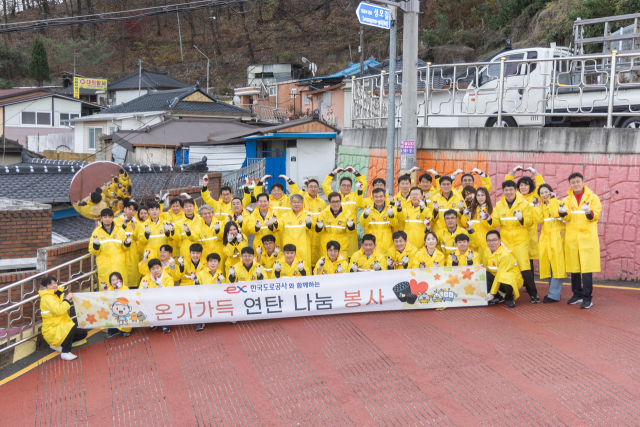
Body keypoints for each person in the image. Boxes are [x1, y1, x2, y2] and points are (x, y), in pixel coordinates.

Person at [488, 180, 539, 302]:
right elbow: (496, 222)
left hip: (520, 240)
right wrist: (489, 219)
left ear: (515, 190)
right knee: (506, 267)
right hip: (505, 242)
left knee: (524, 267)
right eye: (506, 190)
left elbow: (530, 222)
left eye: (511, 189)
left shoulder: (524, 204)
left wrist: (522, 219)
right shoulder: (499, 205)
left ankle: (533, 294)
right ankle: (507, 293)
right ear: (503, 191)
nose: (509, 192)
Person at [559, 172, 601, 309]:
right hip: (572, 238)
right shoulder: (567, 199)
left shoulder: (593, 197)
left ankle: (587, 297)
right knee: (574, 267)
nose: (575, 184)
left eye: (578, 181)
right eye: (573, 182)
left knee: (586, 268)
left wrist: (589, 212)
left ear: (583, 182)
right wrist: (562, 212)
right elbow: (566, 217)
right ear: (570, 184)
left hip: (587, 238)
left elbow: (596, 215)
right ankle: (577, 294)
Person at [506, 165, 545, 271]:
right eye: (521, 185)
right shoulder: (516, 196)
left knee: (529, 259)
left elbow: (542, 185)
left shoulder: (535, 196)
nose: (523, 187)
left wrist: (535, 172)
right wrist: (513, 171)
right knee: (516, 257)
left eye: (526, 185)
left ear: (530, 186)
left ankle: (529, 284)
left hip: (531, 231)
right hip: (518, 231)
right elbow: (508, 184)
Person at [40, 277, 88, 361]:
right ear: (45, 287)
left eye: (55, 283)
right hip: (52, 329)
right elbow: (60, 311)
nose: (54, 285)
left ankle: (58, 345)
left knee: (83, 333)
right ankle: (65, 352)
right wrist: (67, 299)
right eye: (50, 284)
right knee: (71, 326)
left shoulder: (56, 295)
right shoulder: (46, 298)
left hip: (59, 326)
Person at [322, 166, 367, 255]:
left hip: (350, 232)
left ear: (351, 187)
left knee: (350, 256)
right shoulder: (334, 196)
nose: (346, 187)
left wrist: (356, 173)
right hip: (337, 231)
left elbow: (364, 184)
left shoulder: (355, 196)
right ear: (339, 186)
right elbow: (325, 185)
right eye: (344, 185)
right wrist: (333, 173)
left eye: (348, 185)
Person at [533, 184, 566, 303]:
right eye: (541, 193)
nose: (544, 195)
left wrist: (552, 201)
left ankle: (553, 295)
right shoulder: (542, 206)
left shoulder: (558, 202)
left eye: (546, 192)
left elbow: (556, 214)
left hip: (557, 236)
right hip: (546, 236)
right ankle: (554, 292)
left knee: (557, 264)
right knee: (548, 265)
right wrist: (536, 206)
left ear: (551, 192)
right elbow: (538, 220)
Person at [89, 209, 132, 290]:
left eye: (109, 217)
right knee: (106, 291)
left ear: (113, 218)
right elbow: (92, 251)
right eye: (105, 217)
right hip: (105, 266)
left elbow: (126, 248)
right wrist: (96, 246)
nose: (107, 219)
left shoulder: (120, 230)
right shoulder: (96, 232)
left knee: (121, 289)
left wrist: (127, 243)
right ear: (101, 218)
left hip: (119, 264)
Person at [484, 231, 523, 308]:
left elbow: (500, 274)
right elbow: (486, 268)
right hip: (497, 278)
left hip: (512, 280)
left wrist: (492, 292)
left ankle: (509, 297)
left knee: (505, 276)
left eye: (494, 240)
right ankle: (498, 297)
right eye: (489, 240)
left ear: (500, 240)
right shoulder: (487, 251)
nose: (491, 243)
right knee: (483, 273)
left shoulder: (505, 254)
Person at [359, 188, 400, 257]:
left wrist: (391, 215)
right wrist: (365, 215)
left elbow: (395, 224)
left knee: (385, 264)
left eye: (381, 196)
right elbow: (362, 224)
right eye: (376, 197)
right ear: (373, 198)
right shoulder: (368, 209)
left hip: (386, 243)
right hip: (371, 243)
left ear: (384, 197)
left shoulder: (391, 208)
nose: (379, 199)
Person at [316, 192, 356, 259]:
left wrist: (351, 226)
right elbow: (318, 231)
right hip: (327, 244)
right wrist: (319, 227)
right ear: (329, 202)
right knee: (326, 265)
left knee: (342, 266)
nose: (336, 204)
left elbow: (351, 232)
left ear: (341, 201)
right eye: (333, 202)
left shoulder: (347, 214)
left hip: (341, 245)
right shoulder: (324, 213)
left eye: (338, 201)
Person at [461, 187, 495, 265]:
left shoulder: (491, 209)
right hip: (471, 238)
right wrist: (465, 215)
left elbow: (493, 225)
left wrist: (488, 218)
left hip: (483, 240)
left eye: (482, 195)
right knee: (471, 262)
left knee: (483, 262)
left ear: (486, 196)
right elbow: (463, 223)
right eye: (478, 195)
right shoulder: (471, 208)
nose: (480, 197)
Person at [193, 253, 227, 332]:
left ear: (218, 264)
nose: (212, 263)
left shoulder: (221, 276)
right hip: (203, 298)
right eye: (210, 261)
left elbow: (224, 290)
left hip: (216, 298)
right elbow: (195, 288)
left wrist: (220, 283)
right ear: (207, 263)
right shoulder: (199, 274)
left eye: (215, 261)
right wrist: (196, 281)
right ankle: (200, 322)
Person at [140, 258, 174, 334]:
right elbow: (138, 295)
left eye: (157, 267)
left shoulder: (168, 278)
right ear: (149, 271)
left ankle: (165, 323)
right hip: (151, 303)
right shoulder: (145, 279)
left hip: (164, 303)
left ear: (161, 267)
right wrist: (143, 289)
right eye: (153, 269)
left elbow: (170, 293)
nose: (156, 270)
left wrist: (160, 286)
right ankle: (153, 321)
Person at [280, 193, 315, 267]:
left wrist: (309, 223)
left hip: (303, 249)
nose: (296, 204)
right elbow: (278, 226)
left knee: (304, 269)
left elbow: (312, 226)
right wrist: (274, 223)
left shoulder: (307, 215)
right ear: (290, 203)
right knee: (289, 269)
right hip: (289, 249)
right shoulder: (284, 216)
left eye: (298, 202)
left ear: (302, 203)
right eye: (294, 202)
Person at [300, 179, 327, 265]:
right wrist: (302, 188)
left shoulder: (323, 203)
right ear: (307, 188)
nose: (313, 189)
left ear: (318, 189)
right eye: (310, 186)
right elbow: (297, 198)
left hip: (319, 234)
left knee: (318, 259)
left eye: (315, 187)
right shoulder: (303, 200)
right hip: (306, 233)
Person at [114, 200, 140, 286]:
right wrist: (124, 225)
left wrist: (134, 227)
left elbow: (137, 237)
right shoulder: (116, 221)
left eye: (133, 210)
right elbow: (115, 235)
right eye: (129, 209)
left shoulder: (137, 222)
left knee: (133, 274)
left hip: (132, 250)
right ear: (124, 209)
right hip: (121, 249)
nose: (131, 211)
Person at [105, 272, 132, 339]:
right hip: (114, 310)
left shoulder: (125, 288)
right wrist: (105, 290)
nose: (115, 282)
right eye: (113, 280)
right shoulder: (110, 289)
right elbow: (106, 300)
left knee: (124, 319)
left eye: (116, 279)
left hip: (123, 310)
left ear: (120, 280)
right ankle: (112, 331)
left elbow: (126, 300)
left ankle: (125, 330)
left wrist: (118, 290)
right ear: (110, 282)